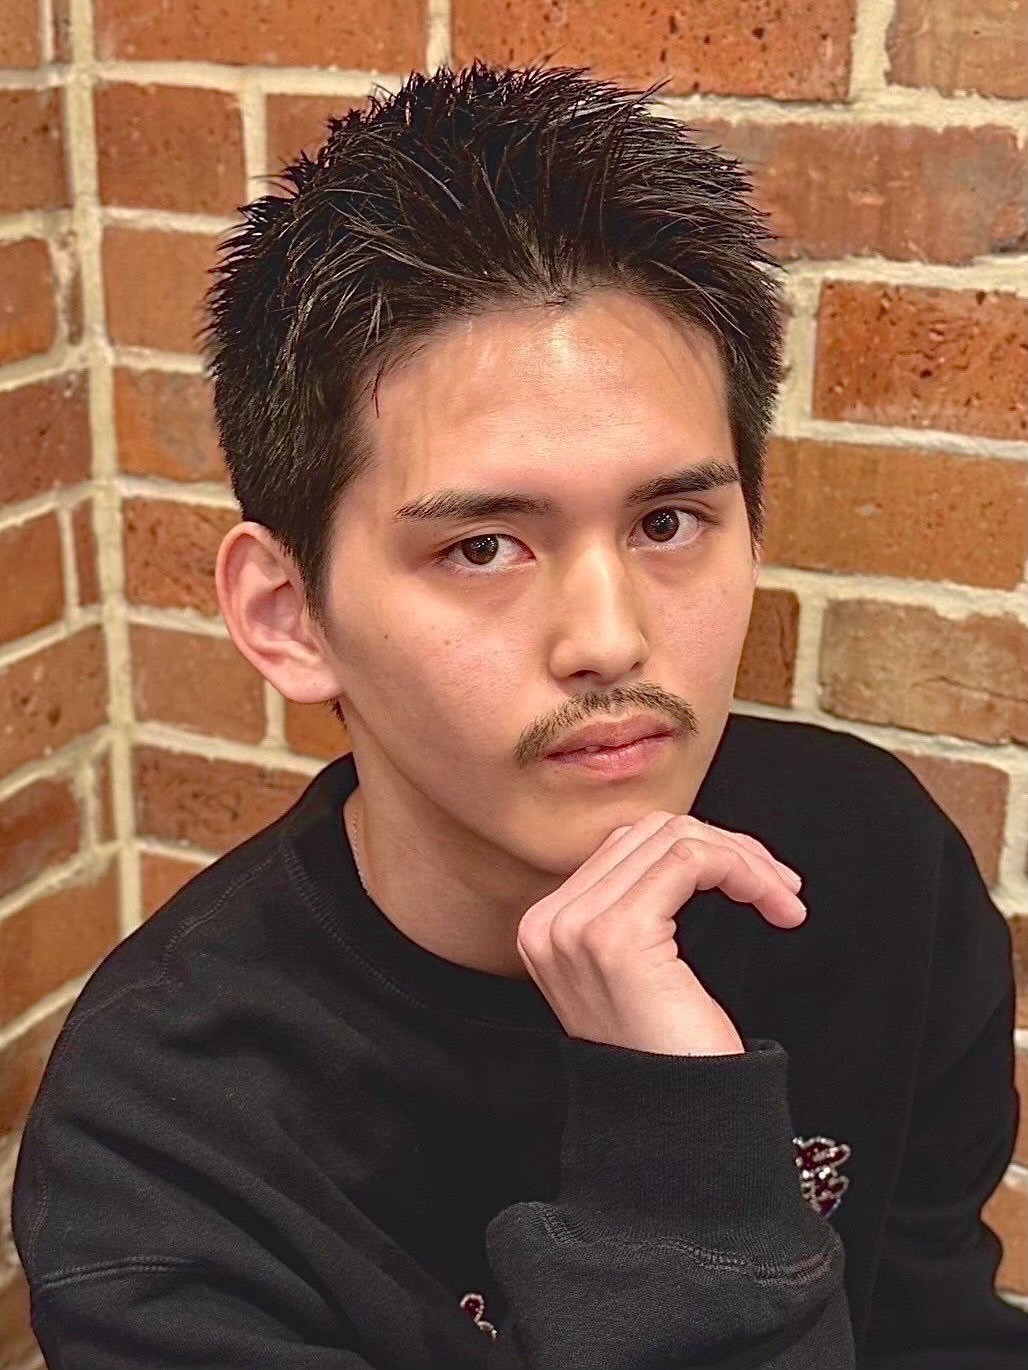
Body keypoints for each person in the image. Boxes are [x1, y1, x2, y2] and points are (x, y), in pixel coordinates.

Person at [11, 59, 1027, 1368]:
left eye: (670, 523)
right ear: (289, 613)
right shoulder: (163, 1146)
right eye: (482, 547)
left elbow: (936, 1333)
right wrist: (684, 1153)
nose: (608, 637)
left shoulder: (871, 868)